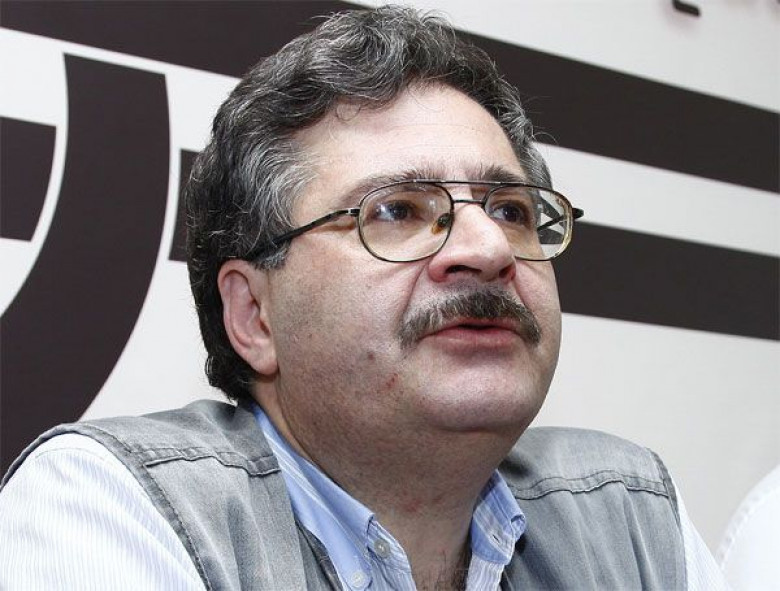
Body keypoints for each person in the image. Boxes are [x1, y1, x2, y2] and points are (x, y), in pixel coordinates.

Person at [0, 6, 727, 590]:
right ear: (254, 316)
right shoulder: (109, 508)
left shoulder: (631, 515)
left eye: (510, 210)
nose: (490, 249)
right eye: (397, 210)